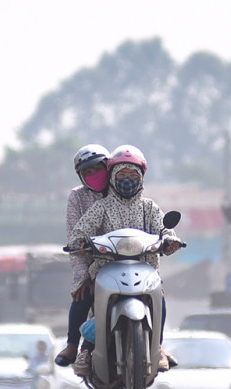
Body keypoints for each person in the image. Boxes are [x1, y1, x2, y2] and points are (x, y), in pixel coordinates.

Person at [67, 144, 182, 376]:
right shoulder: (101, 206)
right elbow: (79, 230)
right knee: (93, 304)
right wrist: (79, 242)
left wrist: (171, 240)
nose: (127, 180)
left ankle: (157, 347)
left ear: (141, 178)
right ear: (113, 177)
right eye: (122, 175)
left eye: (132, 175)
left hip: (145, 267)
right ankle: (84, 349)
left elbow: (164, 229)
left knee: (159, 298)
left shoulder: (149, 207)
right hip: (105, 268)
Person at [55, 144, 111, 367]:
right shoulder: (77, 198)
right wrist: (83, 276)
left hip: (127, 261)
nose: (93, 175)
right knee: (81, 297)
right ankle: (73, 345)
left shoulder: (124, 190)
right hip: (92, 265)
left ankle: (156, 345)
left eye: (97, 169)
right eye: (87, 172)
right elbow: (73, 238)